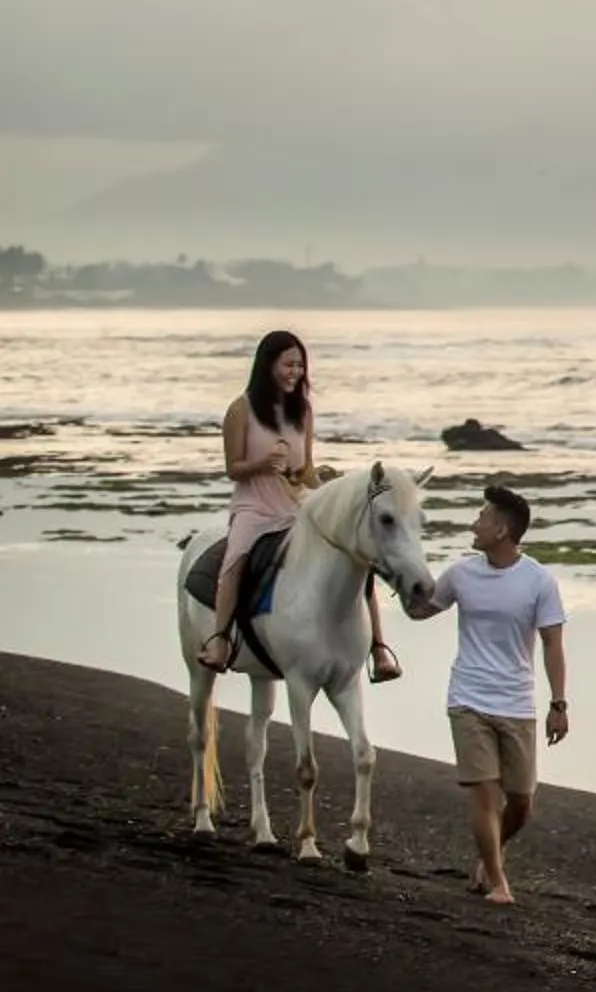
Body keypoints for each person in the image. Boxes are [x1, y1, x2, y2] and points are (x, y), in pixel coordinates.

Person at [198, 329, 402, 683]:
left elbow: (306, 468)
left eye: (299, 365)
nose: (295, 372)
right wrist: (263, 464)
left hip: (295, 504)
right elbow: (233, 468)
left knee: (354, 554)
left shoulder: (302, 411)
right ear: (268, 365)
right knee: (237, 556)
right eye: (288, 364)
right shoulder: (241, 409)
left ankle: (378, 648)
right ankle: (219, 639)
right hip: (254, 506)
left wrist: (330, 496)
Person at [406, 484, 568, 906]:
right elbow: (422, 610)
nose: (473, 524)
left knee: (521, 804)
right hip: (468, 698)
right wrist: (397, 576)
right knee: (485, 795)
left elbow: (553, 644)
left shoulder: (539, 581)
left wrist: (559, 704)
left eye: (482, 517)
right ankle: (498, 883)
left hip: (517, 702)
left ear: (502, 530)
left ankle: (490, 855)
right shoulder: (461, 573)